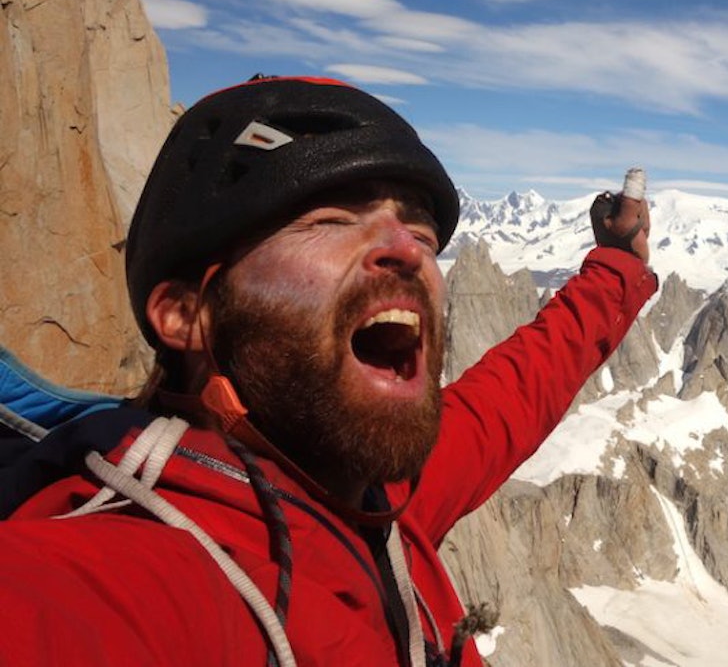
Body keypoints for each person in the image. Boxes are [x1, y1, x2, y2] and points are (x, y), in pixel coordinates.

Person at [0, 75, 657, 666]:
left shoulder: (379, 502)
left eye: (423, 234)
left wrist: (618, 264)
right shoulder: (128, 573)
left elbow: (512, 394)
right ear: (186, 313)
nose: (406, 250)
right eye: (330, 220)